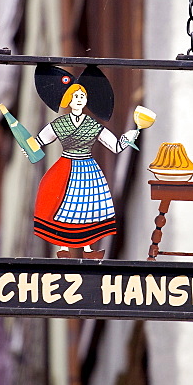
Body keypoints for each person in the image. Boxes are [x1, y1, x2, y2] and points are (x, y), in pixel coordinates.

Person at [28, 66, 138, 259]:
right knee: (64, 207)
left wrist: (131, 135)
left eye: (82, 96)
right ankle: (63, 248)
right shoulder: (59, 124)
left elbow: (115, 146)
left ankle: (88, 249)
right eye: (76, 96)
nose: (79, 99)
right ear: (68, 100)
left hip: (88, 170)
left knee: (88, 208)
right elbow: (39, 141)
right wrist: (28, 146)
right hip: (66, 167)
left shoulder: (92, 125)